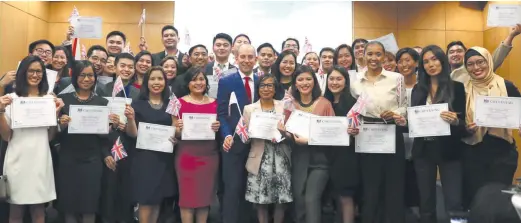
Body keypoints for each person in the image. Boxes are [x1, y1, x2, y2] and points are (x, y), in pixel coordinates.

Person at [395, 45, 466, 223]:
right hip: (423, 150)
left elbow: (464, 124)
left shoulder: (457, 87)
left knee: (454, 202)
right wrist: (406, 123)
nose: (430, 64)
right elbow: (415, 120)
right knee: (426, 202)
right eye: (426, 61)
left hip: (449, 151)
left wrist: (456, 121)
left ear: (442, 60)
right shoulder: (419, 89)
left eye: (434, 59)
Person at [0, 55, 64, 223]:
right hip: (17, 160)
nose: (35, 75)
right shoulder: (11, 99)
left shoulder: (49, 99)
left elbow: (50, 137)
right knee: (15, 212)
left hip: (40, 160)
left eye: (39, 71)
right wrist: (0, 111)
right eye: (31, 71)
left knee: (38, 212)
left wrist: (55, 116)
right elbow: (7, 136)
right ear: (23, 73)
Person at [348, 41, 407, 223]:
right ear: (363, 56)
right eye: (370, 54)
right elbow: (353, 109)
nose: (374, 58)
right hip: (367, 134)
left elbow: (404, 105)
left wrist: (395, 114)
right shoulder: (355, 81)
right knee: (370, 186)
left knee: (394, 185)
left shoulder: (396, 78)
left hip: (391, 130)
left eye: (378, 54)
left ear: (384, 56)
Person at [461, 46, 521, 209]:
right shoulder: (463, 89)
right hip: (472, 152)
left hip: (502, 153)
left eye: (480, 62)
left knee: (499, 200)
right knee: (475, 199)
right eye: (470, 64)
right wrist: (466, 128)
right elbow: (458, 122)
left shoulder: (506, 85)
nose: (476, 68)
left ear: (489, 62)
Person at [56, 60, 116, 223]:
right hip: (68, 158)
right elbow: (54, 133)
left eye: (90, 75)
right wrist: (60, 124)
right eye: (82, 75)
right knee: (69, 205)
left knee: (90, 205)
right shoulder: (62, 100)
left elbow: (103, 138)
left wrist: (108, 129)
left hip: (92, 160)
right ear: (75, 77)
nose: (87, 79)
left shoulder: (102, 102)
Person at [282, 65, 335, 223]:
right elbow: (287, 132)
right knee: (299, 199)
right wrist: (282, 131)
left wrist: (310, 140)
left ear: (314, 81)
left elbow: (332, 135)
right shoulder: (290, 105)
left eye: (308, 79)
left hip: (320, 160)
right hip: (298, 158)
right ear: (295, 84)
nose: (304, 83)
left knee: (311, 199)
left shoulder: (325, 104)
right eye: (300, 79)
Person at [124, 66, 176, 223]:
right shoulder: (137, 104)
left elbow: (175, 129)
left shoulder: (171, 104)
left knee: (157, 202)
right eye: (152, 79)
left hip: (164, 160)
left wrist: (176, 139)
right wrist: (131, 118)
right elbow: (132, 134)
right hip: (144, 161)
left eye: (160, 79)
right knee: (146, 202)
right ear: (146, 83)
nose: (156, 82)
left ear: (165, 82)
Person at [217, 44, 258, 223]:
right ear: (236, 59)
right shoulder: (226, 81)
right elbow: (221, 113)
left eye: (250, 57)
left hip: (257, 145)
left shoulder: (263, 81)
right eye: (243, 57)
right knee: (232, 189)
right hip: (233, 144)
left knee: (250, 191)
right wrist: (226, 135)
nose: (247, 60)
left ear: (255, 60)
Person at [174, 67, 220, 223]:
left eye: (202, 79)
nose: (198, 83)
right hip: (186, 156)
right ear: (188, 83)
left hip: (209, 157)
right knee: (187, 198)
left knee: (205, 197)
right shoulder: (177, 103)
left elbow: (220, 131)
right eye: (194, 79)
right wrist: (178, 129)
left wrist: (217, 127)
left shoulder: (216, 103)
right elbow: (174, 134)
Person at [244, 74, 292, 223]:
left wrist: (283, 132)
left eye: (270, 85)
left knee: (281, 199)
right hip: (259, 159)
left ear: (275, 88)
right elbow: (245, 139)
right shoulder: (249, 109)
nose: (266, 89)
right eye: (263, 85)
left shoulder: (284, 106)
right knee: (260, 200)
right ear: (258, 89)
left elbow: (292, 133)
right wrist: (248, 134)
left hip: (281, 157)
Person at [323, 66, 358, 223]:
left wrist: (356, 131)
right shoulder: (323, 102)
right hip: (324, 154)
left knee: (345, 195)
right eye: (331, 79)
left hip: (346, 156)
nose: (334, 82)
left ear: (346, 81)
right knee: (332, 195)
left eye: (339, 79)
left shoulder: (353, 103)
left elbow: (360, 129)